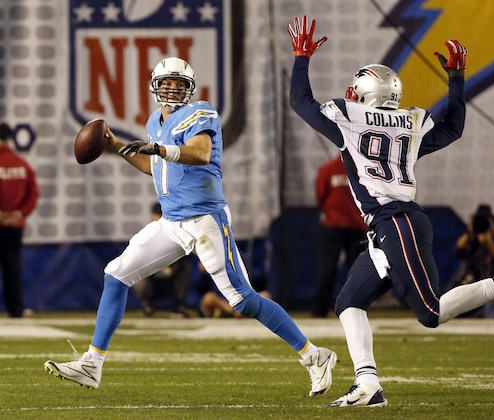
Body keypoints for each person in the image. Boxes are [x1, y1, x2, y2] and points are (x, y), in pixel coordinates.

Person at [287, 16, 494, 407]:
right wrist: (456, 80)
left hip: (396, 222)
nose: (349, 95)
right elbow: (452, 128)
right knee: (348, 302)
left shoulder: (350, 121)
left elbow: (301, 101)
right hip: (388, 225)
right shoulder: (410, 122)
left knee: (431, 312)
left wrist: (301, 58)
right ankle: (368, 385)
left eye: (356, 90)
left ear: (365, 94)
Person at [45, 57, 337, 397]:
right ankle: (92, 364)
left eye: (180, 84)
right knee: (116, 273)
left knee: (242, 300)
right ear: (155, 85)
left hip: (204, 219)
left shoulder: (201, 112)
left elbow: (199, 153)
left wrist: (157, 147)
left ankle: (314, 356)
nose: (173, 89)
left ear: (190, 88)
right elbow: (153, 166)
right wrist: (116, 146)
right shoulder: (155, 120)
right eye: (167, 82)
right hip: (172, 221)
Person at [312, 154, 368, 318]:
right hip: (353, 226)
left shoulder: (328, 169)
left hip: (334, 226)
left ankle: (320, 311)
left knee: (328, 270)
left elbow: (320, 197)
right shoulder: (362, 171)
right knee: (357, 271)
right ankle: (355, 308)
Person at [451, 204, 494, 319]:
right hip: (473, 283)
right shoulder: (471, 239)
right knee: (451, 306)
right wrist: (469, 232)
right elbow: (457, 250)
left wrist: (488, 241)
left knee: (491, 309)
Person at [0, 122, 39, 318]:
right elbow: (33, 194)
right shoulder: (22, 164)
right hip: (15, 225)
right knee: (12, 268)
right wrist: (19, 213)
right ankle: (15, 310)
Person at [132, 202, 193, 318]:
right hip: (152, 275)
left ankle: (179, 306)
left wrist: (170, 267)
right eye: (157, 215)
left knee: (185, 268)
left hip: (171, 276)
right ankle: (147, 304)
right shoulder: (147, 234)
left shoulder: (176, 232)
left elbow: (183, 257)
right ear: (152, 216)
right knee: (138, 275)